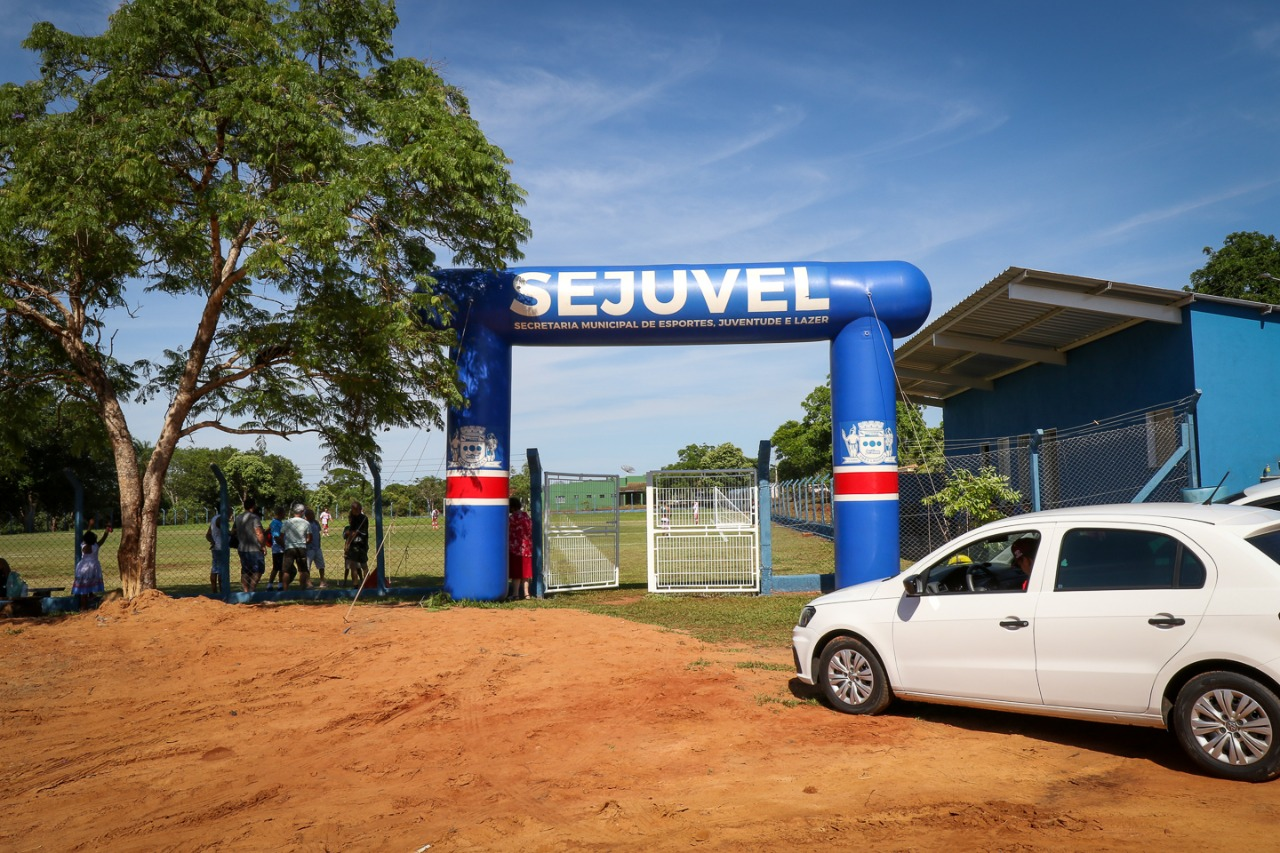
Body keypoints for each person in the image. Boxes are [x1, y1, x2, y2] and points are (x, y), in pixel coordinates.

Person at [73, 526, 111, 610]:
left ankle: (83, 607)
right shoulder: (96, 546)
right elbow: (103, 539)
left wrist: (89, 526)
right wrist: (106, 531)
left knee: (83, 589)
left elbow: (86, 536)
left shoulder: (83, 545)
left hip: (83, 567)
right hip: (93, 567)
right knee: (90, 581)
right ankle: (90, 594)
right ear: (94, 539)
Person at [235, 498, 266, 593]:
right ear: (253, 506)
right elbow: (259, 533)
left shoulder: (238, 517)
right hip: (255, 548)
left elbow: (234, 531)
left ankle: (245, 590)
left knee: (245, 570)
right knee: (258, 569)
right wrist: (263, 546)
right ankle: (252, 588)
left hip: (242, 547)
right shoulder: (254, 518)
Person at [506, 497, 533, 601]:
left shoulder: (512, 518)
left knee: (516, 574)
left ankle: (515, 594)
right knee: (526, 574)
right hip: (527, 548)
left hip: (516, 549)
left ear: (511, 507)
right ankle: (527, 594)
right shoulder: (526, 516)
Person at [280, 503, 311, 591]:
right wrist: (304, 543)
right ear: (302, 512)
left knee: (286, 570)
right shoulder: (306, 523)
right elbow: (309, 538)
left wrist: (285, 544)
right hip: (301, 547)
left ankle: (285, 590)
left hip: (289, 547)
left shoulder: (287, 522)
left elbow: (281, 536)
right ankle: (302, 589)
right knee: (303, 570)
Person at [344, 501, 370, 589]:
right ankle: (358, 584)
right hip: (358, 544)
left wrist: (348, 541)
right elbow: (351, 532)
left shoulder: (361, 518)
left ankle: (364, 583)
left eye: (353, 509)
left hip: (360, 544)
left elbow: (356, 533)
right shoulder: (356, 518)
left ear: (358, 509)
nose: (352, 511)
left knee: (360, 565)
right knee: (356, 565)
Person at [305, 508, 327, 588]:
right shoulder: (305, 523)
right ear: (307, 516)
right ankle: (308, 582)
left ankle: (322, 581)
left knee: (321, 565)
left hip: (317, 547)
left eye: (313, 514)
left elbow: (318, 533)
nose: (313, 516)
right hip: (309, 548)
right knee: (307, 566)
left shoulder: (316, 523)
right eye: (311, 515)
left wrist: (319, 544)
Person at [265, 505, 286, 590]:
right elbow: (277, 537)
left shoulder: (277, 522)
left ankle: (280, 584)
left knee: (281, 568)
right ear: (280, 513)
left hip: (279, 548)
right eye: (284, 513)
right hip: (278, 548)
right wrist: (284, 546)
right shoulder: (276, 523)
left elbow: (266, 531)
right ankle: (270, 584)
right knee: (276, 567)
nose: (284, 515)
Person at [206, 512, 223, 594]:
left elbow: (208, 534)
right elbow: (226, 532)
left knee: (215, 569)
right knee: (221, 570)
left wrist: (213, 541)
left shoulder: (214, 518)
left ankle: (214, 591)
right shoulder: (221, 519)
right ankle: (222, 591)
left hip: (215, 547)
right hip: (221, 548)